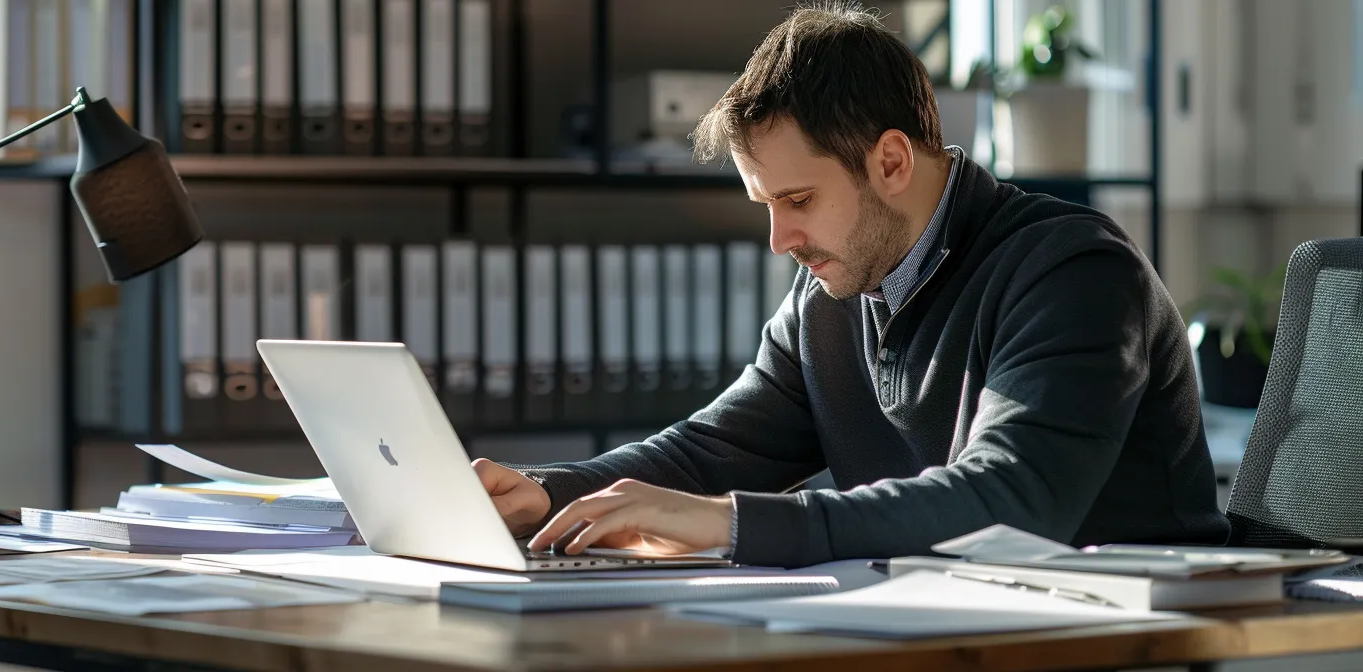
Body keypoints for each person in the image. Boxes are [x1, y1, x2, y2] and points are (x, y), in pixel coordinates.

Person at [471, 2, 1230, 568]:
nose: (780, 241)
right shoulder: (830, 298)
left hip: (1113, 642)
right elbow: (715, 449)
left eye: (797, 201)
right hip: (948, 628)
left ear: (891, 162)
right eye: (766, 207)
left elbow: (1011, 500)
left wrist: (732, 522)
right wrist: (551, 491)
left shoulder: (1073, 272)